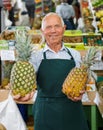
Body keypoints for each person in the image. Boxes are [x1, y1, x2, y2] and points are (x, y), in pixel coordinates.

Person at [14, 12, 89, 130]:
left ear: (64, 29)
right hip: (45, 112)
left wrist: (81, 91)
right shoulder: (35, 57)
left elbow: (83, 81)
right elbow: (26, 81)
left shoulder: (75, 55)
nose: (53, 31)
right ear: (42, 32)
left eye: (57, 26)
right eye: (48, 27)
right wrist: (21, 94)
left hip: (72, 110)